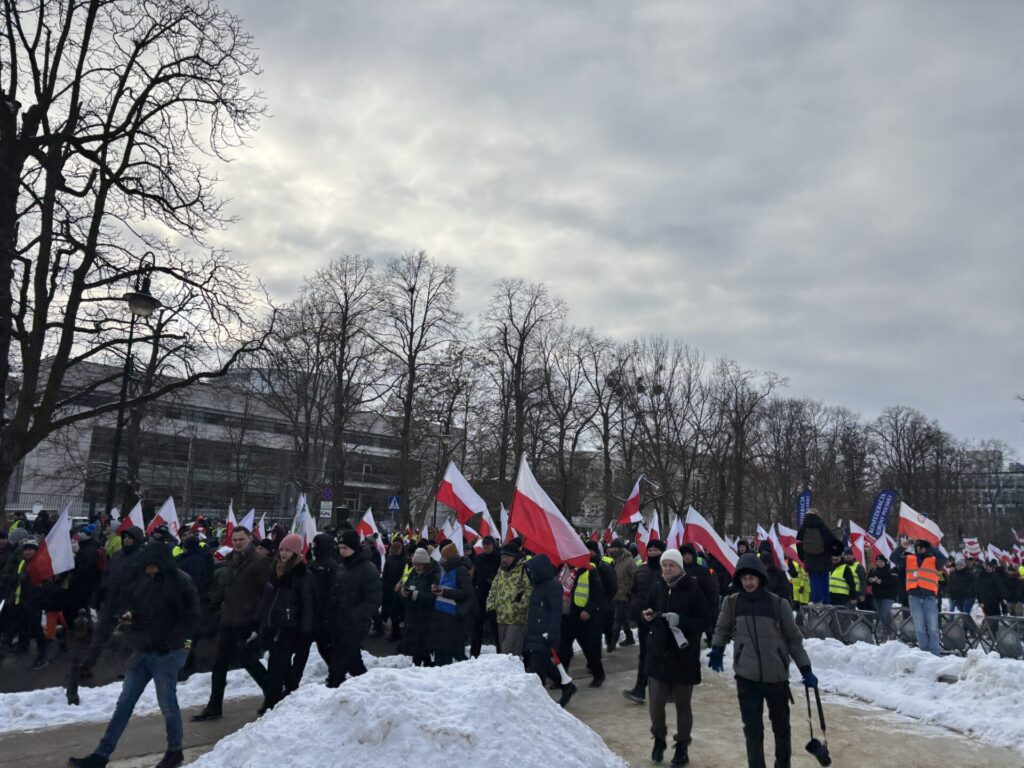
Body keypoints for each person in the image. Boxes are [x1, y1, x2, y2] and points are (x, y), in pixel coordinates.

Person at [68, 541, 200, 768]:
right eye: (146, 566)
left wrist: (171, 643)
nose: (147, 570)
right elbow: (135, 606)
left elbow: (192, 619)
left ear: (161, 564)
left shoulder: (181, 582)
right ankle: (101, 755)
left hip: (167, 654)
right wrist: (129, 615)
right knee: (124, 704)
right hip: (142, 651)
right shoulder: (143, 581)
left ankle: (175, 751)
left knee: (167, 703)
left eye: (151, 566)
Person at [709, 553, 816, 768]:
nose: (748, 583)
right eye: (744, 578)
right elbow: (721, 628)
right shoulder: (731, 603)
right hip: (746, 677)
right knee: (752, 729)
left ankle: (782, 764)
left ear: (760, 578)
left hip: (776, 676)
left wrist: (806, 669)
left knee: (781, 727)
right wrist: (717, 648)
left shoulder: (778, 604)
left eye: (752, 578)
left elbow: (794, 639)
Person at [192, 526, 272, 721]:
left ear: (250, 539)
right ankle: (214, 705)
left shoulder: (260, 562)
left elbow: (267, 593)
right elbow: (227, 588)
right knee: (219, 664)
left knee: (248, 660)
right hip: (228, 619)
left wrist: (258, 621)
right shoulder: (230, 560)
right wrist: (214, 603)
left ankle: (273, 695)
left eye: (241, 540)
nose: (237, 543)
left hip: (247, 620)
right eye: (234, 540)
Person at [642, 548, 709, 767]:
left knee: (683, 705)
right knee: (656, 704)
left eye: (672, 565)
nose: (667, 569)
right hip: (658, 654)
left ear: (680, 567)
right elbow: (646, 611)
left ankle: (682, 747)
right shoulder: (657, 588)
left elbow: (703, 621)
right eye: (664, 565)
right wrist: (647, 615)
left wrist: (680, 620)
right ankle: (659, 738)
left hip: (683, 657)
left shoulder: (693, 590)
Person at [257, 533, 314, 712]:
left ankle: (272, 702)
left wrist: (306, 631)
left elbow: (308, 604)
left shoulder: (302, 575)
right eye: (281, 549)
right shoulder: (276, 569)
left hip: (291, 628)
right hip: (274, 625)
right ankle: (287, 694)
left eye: (288, 550)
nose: (283, 553)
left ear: (296, 553)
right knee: (278, 666)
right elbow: (269, 598)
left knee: (276, 666)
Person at [326, 530, 383, 685]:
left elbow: (374, 599)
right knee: (354, 663)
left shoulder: (368, 568)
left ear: (354, 547)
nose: (342, 551)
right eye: (340, 547)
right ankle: (366, 686)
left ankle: (334, 686)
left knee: (338, 664)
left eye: (345, 548)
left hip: (355, 624)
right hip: (339, 622)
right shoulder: (342, 567)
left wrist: (356, 615)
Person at [523, 554, 576, 707]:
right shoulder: (538, 584)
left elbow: (555, 611)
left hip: (545, 632)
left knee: (537, 667)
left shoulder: (553, 585)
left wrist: (551, 633)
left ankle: (538, 702)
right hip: (535, 631)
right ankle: (567, 686)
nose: (530, 574)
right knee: (543, 664)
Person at [558, 545, 609, 687]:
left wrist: (589, 610)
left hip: (582, 618)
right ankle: (562, 678)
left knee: (590, 650)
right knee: (563, 650)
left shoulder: (589, 570)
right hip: (566, 616)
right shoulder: (562, 569)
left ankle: (599, 675)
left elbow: (597, 593)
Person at [622, 539, 664, 704]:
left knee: (661, 656)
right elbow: (634, 591)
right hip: (643, 620)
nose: (653, 553)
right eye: (650, 550)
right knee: (645, 655)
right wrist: (635, 610)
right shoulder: (641, 570)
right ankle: (640, 689)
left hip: (661, 621)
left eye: (656, 550)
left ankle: (668, 690)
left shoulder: (666, 569)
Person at [891, 538, 947, 656]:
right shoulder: (909, 558)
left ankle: (935, 654)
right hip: (914, 598)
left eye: (922, 546)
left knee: (932, 628)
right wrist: (902, 547)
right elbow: (893, 558)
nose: (920, 548)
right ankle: (924, 654)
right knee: (920, 628)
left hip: (930, 598)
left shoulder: (934, 560)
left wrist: (930, 546)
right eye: (918, 546)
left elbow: (944, 559)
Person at [429, 542, 475, 666]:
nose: (441, 559)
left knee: (446, 650)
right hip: (441, 615)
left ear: (449, 557)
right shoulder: (446, 569)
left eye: (443, 556)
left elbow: (467, 593)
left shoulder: (460, 570)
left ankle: (453, 670)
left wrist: (444, 592)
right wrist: (437, 589)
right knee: (442, 649)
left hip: (452, 617)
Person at [485, 540, 532, 656]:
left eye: (507, 556)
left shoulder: (524, 569)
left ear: (515, 556)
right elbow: (494, 588)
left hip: (516, 618)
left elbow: (529, 590)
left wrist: (518, 606)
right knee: (503, 653)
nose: (504, 559)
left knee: (509, 652)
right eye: (503, 556)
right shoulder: (501, 569)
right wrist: (490, 607)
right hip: (501, 617)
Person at [400, 547, 439, 666]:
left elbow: (433, 597)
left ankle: (417, 666)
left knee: (421, 643)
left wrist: (414, 594)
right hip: (412, 614)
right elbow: (405, 585)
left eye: (420, 564)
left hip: (425, 615)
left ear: (425, 564)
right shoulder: (412, 573)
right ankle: (426, 664)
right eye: (415, 564)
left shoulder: (433, 575)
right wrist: (403, 593)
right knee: (417, 644)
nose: (417, 567)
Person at [796, 509, 842, 604]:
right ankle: (826, 602)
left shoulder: (803, 528)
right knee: (824, 579)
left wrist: (802, 557)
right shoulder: (822, 526)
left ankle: (817, 601)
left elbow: (798, 544)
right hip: (824, 558)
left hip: (810, 559)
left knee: (814, 579)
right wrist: (836, 552)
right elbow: (832, 540)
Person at [470, 536, 501, 657]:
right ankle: (474, 654)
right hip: (479, 597)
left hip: (493, 598)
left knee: (495, 628)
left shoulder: (498, 558)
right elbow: (474, 576)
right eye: (484, 544)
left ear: (493, 545)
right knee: (476, 628)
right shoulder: (478, 558)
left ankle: (500, 653)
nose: (486, 546)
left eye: (488, 544)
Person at [608, 539, 638, 647]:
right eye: (612, 547)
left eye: (615, 547)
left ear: (620, 548)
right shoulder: (611, 559)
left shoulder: (629, 561)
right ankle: (629, 638)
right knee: (623, 618)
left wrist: (630, 592)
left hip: (624, 595)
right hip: (613, 595)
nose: (613, 549)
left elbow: (635, 577)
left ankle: (612, 642)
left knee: (617, 619)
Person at [867, 553, 900, 639]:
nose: (879, 563)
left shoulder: (891, 571)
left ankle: (885, 634)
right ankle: (892, 631)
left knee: (883, 614)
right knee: (884, 615)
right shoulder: (873, 570)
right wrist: (870, 580)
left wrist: (881, 582)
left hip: (888, 597)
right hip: (876, 597)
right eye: (878, 561)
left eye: (881, 561)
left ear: (885, 562)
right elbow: (868, 581)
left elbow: (894, 583)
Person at [380, 539, 406, 642]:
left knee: (395, 613)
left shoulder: (398, 560)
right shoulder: (394, 559)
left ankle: (395, 633)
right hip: (391, 589)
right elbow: (386, 573)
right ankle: (395, 632)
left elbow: (404, 575)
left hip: (395, 589)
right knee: (393, 613)